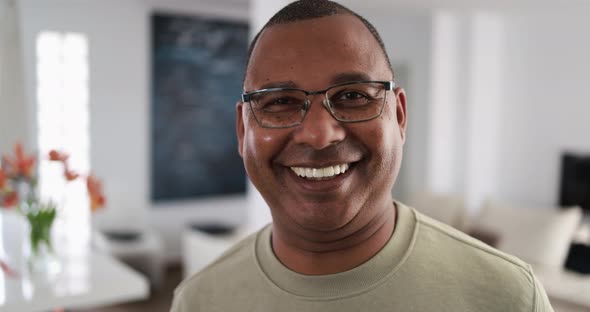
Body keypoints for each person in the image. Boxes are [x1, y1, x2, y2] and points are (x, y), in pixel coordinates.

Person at [171, 1, 554, 311]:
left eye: (353, 95)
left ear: (399, 116)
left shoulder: (507, 296)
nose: (320, 135)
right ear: (242, 131)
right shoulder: (200, 300)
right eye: (281, 102)